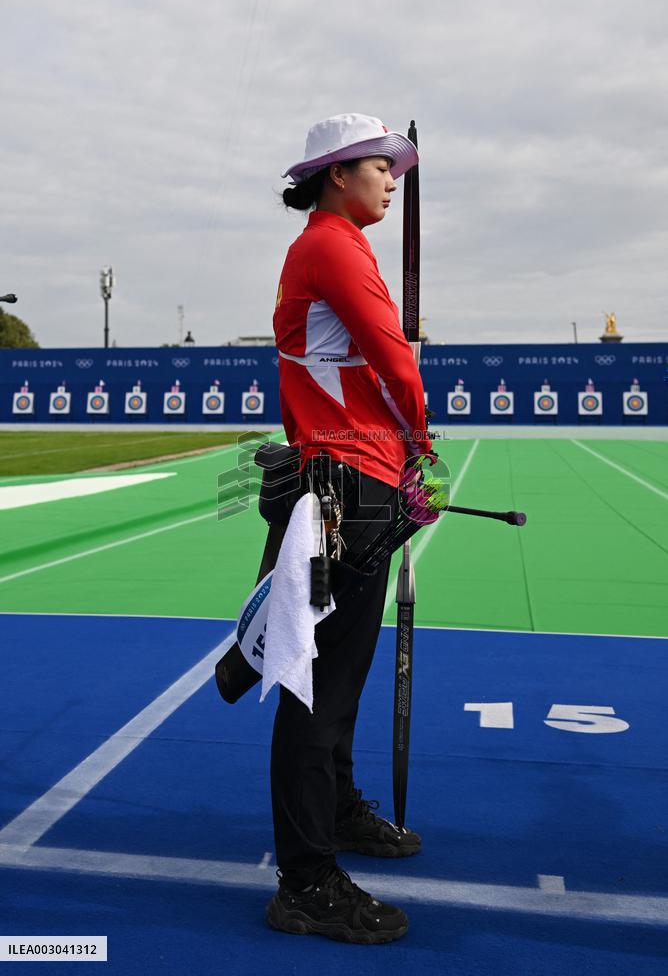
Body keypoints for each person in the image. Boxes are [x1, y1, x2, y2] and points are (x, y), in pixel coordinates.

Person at [265, 113, 435, 944]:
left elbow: (371, 361)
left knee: (341, 678)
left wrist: (401, 456)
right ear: (338, 175)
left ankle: (334, 809)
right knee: (316, 690)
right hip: (343, 483)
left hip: (356, 474)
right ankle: (305, 879)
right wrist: (424, 443)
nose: (392, 179)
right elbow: (395, 357)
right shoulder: (333, 244)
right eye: (380, 166)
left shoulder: (332, 245)